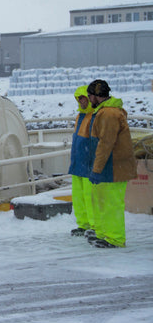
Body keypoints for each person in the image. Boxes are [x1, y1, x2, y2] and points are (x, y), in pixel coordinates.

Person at [86, 79, 137, 248]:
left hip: (114, 167)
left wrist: (97, 168)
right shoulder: (104, 112)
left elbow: (106, 143)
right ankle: (103, 234)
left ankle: (115, 238)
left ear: (96, 96)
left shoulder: (108, 114)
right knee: (101, 201)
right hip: (107, 167)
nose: (88, 98)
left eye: (90, 95)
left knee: (111, 204)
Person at [67, 85, 95, 237]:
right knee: (78, 197)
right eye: (79, 99)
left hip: (89, 163)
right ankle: (83, 224)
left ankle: (94, 225)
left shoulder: (94, 116)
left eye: (83, 98)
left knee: (90, 197)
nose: (81, 101)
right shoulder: (80, 116)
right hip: (78, 162)